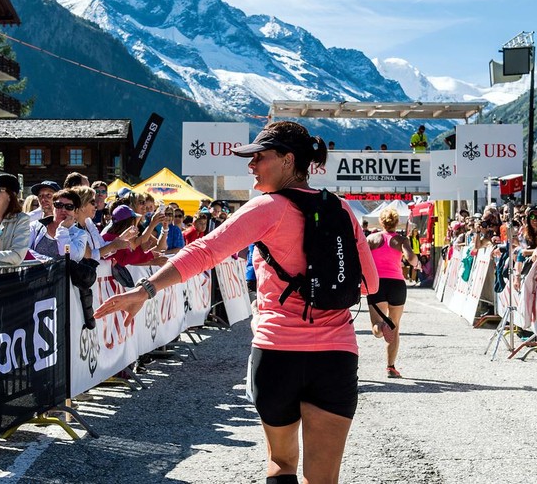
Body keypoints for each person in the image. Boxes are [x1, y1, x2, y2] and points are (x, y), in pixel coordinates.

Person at [95, 121, 379, 484]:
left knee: (281, 464)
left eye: (259, 157)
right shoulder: (340, 209)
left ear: (288, 160)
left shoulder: (268, 208)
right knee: (324, 478)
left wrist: (145, 290)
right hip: (336, 354)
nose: (251, 166)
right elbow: (370, 283)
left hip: (278, 352)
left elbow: (205, 251)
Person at [366, 207, 418, 379]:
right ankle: (391, 367)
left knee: (376, 325)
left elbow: (361, 260)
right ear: (397, 223)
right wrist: (416, 262)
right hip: (397, 284)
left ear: (381, 222)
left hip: (376, 283)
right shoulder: (401, 240)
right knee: (395, 326)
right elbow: (411, 258)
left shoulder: (371, 239)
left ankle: (380, 328)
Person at [28, 189, 86, 261]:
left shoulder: (80, 234)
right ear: (53, 207)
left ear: (76, 211)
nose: (63, 210)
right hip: (37, 271)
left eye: (69, 206)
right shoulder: (35, 226)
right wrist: (46, 261)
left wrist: (63, 229)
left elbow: (73, 257)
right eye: (58, 205)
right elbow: (24, 250)